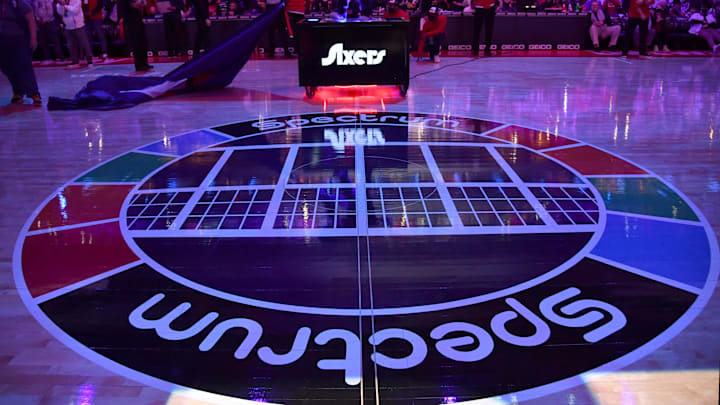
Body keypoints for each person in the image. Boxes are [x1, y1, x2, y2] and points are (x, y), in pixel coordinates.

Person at [1, 0, 41, 105]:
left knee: (24, 66)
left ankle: (34, 94)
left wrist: (33, 38)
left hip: (20, 39)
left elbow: (30, 20)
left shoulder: (18, 3)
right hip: (3, 41)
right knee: (8, 68)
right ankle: (18, 92)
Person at [57, 0, 94, 67]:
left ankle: (89, 60)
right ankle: (75, 60)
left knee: (84, 43)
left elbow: (75, 10)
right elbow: (60, 12)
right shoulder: (61, 1)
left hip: (78, 25)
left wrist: (65, 6)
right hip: (68, 26)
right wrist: (61, 5)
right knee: (71, 45)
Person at [118, 0, 152, 70]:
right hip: (131, 20)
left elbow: (140, 5)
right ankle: (139, 65)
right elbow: (130, 5)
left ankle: (145, 62)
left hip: (138, 18)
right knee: (136, 42)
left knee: (143, 41)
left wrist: (142, 3)